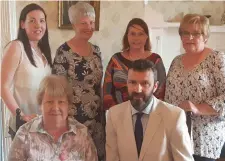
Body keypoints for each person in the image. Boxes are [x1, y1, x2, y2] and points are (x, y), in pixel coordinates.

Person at [106, 59, 194, 161]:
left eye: (145, 83)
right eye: (132, 82)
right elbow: (112, 158)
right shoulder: (114, 114)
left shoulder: (174, 116)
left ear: (155, 86)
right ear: (127, 83)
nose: (138, 89)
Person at [164, 14, 225, 161]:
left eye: (196, 33)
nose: (189, 37)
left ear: (205, 36)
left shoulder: (216, 58)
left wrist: (198, 108)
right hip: (177, 136)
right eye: (185, 33)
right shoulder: (176, 61)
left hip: (204, 140)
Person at [52, 2, 105, 160]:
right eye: (83, 23)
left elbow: (98, 86)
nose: (89, 27)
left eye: (91, 23)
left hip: (96, 120)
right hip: (73, 120)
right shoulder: (63, 52)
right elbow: (57, 90)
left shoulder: (96, 51)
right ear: (74, 24)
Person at [8, 75, 98, 161]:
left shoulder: (82, 133)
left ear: (69, 106)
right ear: (40, 105)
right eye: (49, 102)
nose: (55, 107)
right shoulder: (24, 134)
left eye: (61, 102)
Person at [1, 3, 52, 139]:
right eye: (32, 21)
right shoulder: (16, 47)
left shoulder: (43, 52)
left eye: (42, 21)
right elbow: (3, 86)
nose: (38, 25)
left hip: (43, 124)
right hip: (24, 125)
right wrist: (21, 115)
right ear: (23, 24)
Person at [103, 18, 166, 110]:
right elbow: (107, 91)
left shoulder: (155, 60)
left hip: (149, 114)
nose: (136, 38)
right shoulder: (115, 60)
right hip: (119, 114)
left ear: (146, 37)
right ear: (127, 36)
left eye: (140, 34)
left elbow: (161, 91)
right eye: (132, 34)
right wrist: (117, 113)